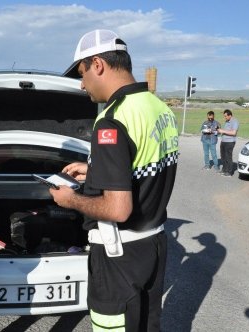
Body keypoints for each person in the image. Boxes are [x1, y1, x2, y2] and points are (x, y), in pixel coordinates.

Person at [51, 29, 179, 331]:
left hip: (119, 256)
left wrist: (71, 200)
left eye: (82, 74)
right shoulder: (159, 108)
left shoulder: (112, 119)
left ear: (98, 64)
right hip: (154, 244)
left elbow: (118, 208)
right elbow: (144, 168)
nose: (82, 84)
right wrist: (95, 170)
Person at [217, 109, 239, 177]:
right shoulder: (227, 121)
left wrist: (223, 131)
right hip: (223, 141)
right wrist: (219, 131)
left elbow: (233, 132)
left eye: (226, 116)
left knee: (228, 157)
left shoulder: (235, 121)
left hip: (230, 142)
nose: (225, 117)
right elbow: (225, 131)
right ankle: (224, 170)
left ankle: (229, 172)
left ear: (230, 115)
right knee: (223, 156)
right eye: (224, 116)